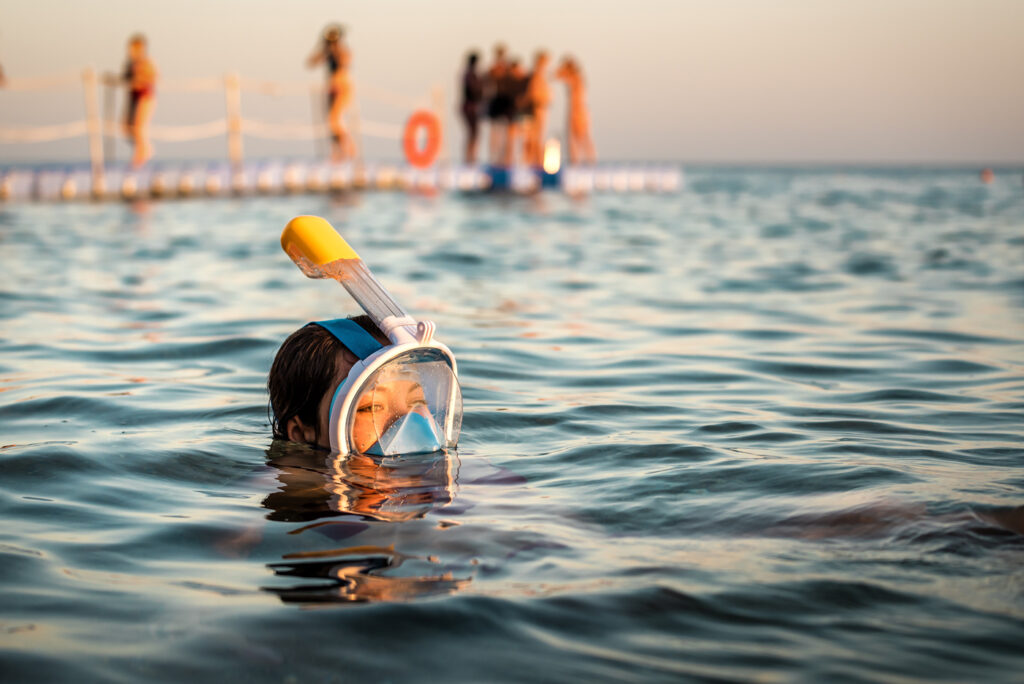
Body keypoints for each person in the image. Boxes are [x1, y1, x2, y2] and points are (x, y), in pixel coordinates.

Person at [307, 24, 355, 161]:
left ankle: (348, 149)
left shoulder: (342, 51)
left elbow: (344, 62)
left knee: (334, 119)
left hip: (342, 87)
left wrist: (335, 50)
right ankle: (337, 151)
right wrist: (322, 47)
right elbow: (311, 62)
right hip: (331, 88)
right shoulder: (327, 52)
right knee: (331, 122)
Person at [122, 34, 157, 168]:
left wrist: (139, 78)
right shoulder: (130, 63)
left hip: (145, 97)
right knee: (126, 127)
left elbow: (153, 77)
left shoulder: (148, 62)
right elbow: (125, 78)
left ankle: (141, 156)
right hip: (133, 97)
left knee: (139, 127)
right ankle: (142, 151)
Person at [555, 56, 596, 165]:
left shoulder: (576, 78)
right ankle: (579, 161)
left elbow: (557, 75)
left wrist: (566, 67)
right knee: (576, 137)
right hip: (577, 109)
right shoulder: (576, 77)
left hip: (579, 110)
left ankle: (587, 161)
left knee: (581, 137)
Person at [522, 51, 552, 166]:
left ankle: (538, 161)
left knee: (538, 137)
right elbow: (531, 94)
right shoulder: (535, 75)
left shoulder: (541, 75)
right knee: (533, 138)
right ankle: (533, 161)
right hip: (536, 109)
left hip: (541, 109)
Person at [484, 44, 511, 166]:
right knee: (495, 132)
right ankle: (493, 159)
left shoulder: (507, 68)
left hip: (504, 104)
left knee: (504, 132)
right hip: (495, 103)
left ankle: (501, 159)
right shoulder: (492, 69)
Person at [459, 51, 484, 165]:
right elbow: (474, 91)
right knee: (473, 133)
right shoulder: (470, 75)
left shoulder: (467, 74)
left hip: (469, 106)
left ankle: (470, 158)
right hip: (470, 107)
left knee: (473, 133)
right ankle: (470, 159)